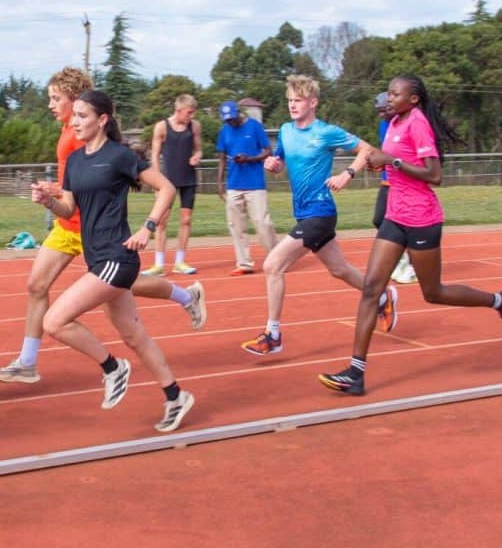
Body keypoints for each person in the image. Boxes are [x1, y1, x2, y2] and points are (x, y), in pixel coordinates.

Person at [0, 68, 206, 385]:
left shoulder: (86, 138)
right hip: (72, 222)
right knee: (38, 285)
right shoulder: (69, 134)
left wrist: (146, 226)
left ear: (84, 106)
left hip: (95, 227)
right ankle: (28, 360)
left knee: (123, 285)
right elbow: (75, 183)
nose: (51, 104)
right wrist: (52, 196)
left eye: (56, 98)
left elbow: (105, 174)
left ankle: (184, 304)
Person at [319, 74, 502, 395]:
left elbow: (435, 174)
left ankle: (501, 300)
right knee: (372, 288)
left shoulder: (417, 123)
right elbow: (393, 163)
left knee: (433, 292)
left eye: (394, 94)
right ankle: (355, 373)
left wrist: (392, 160)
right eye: (387, 93)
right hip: (394, 216)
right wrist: (380, 164)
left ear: (412, 99)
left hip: (421, 218)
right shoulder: (395, 123)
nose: (388, 98)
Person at [34, 90, 195, 432]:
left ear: (102, 119)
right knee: (136, 338)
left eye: (82, 115)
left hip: (118, 258)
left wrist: (148, 228)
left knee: (54, 321)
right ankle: (175, 396)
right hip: (97, 260)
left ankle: (111, 368)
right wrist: (49, 202)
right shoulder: (76, 161)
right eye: (73, 115)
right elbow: (69, 209)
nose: (74, 121)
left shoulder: (119, 156)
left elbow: (166, 188)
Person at [241, 75, 398, 356]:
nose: (292, 105)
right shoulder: (287, 131)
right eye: (289, 100)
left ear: (313, 102)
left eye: (298, 100)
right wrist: (272, 164)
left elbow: (367, 149)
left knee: (272, 265)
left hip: (321, 212)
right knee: (339, 270)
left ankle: (273, 334)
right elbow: (279, 161)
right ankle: (383, 295)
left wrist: (347, 174)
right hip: (304, 214)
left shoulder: (326, 132)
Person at [142, 94, 202, 275]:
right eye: (189, 113)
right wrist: (157, 181)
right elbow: (154, 155)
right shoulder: (162, 127)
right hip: (167, 181)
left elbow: (198, 148)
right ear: (179, 110)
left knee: (186, 220)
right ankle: (159, 264)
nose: (191, 116)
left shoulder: (195, 126)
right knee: (161, 221)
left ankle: (180, 262)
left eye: (193, 113)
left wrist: (197, 156)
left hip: (188, 179)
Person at [216, 100, 277, 275]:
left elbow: (268, 151)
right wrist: (220, 183)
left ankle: (276, 257)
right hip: (234, 184)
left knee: (262, 222)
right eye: (227, 120)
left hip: (255, 183)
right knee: (236, 225)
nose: (230, 122)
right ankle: (244, 263)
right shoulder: (224, 131)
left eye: (232, 118)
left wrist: (250, 158)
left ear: (238, 113)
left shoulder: (254, 126)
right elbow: (221, 157)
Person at [373, 91, 416, 284]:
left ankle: (411, 262)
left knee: (405, 225)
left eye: (384, 111)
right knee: (379, 219)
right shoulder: (384, 125)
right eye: (379, 111)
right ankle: (402, 258)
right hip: (386, 180)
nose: (381, 115)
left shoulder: (406, 124)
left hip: (402, 183)